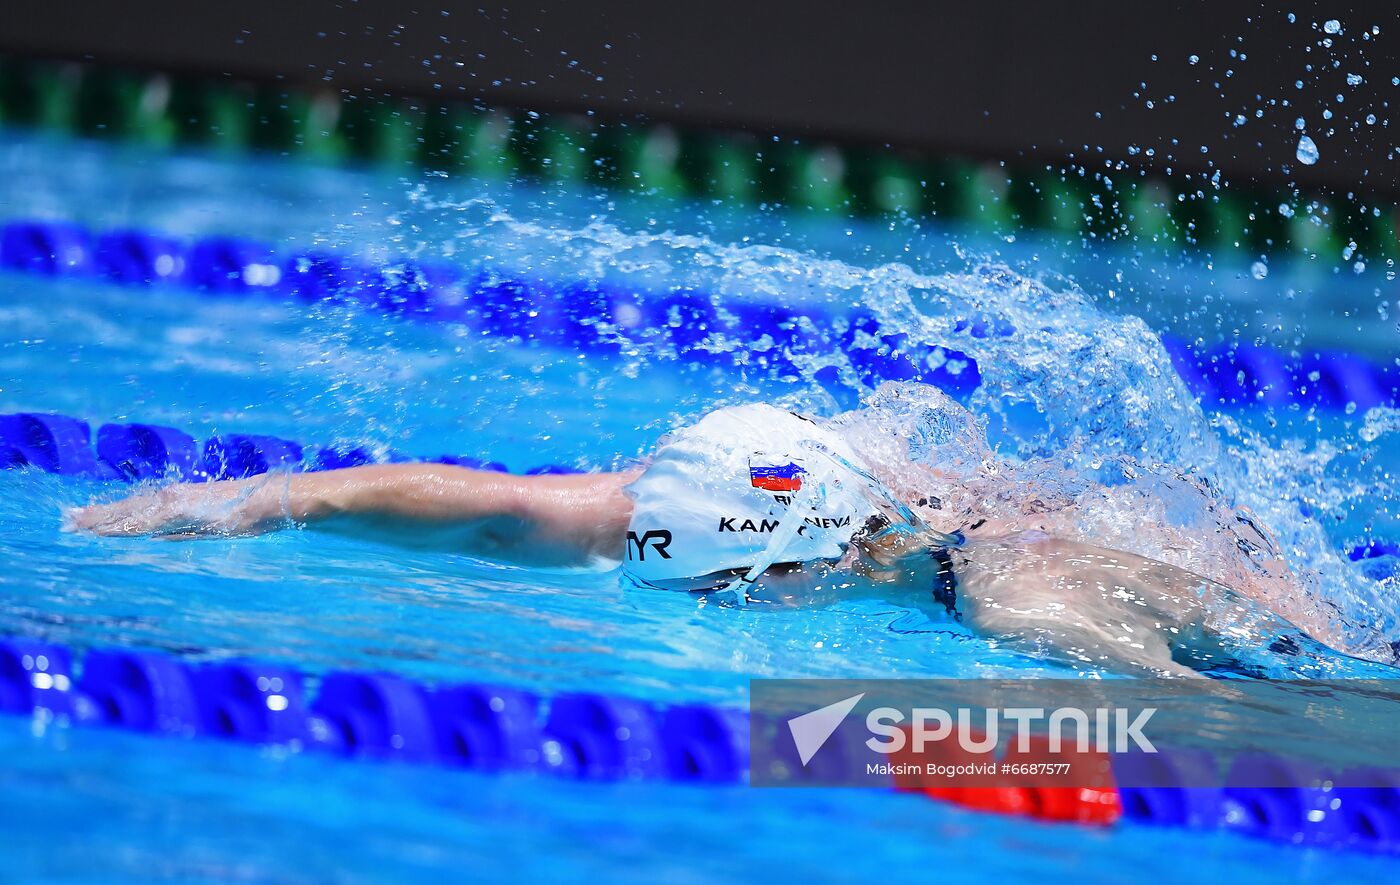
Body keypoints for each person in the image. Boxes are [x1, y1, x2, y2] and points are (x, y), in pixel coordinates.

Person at [65, 388, 1396, 679]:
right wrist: (245, 501)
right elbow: (469, 502)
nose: (747, 617)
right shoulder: (636, 518)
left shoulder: (1020, 599)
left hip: (1017, 591)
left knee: (1299, 684)